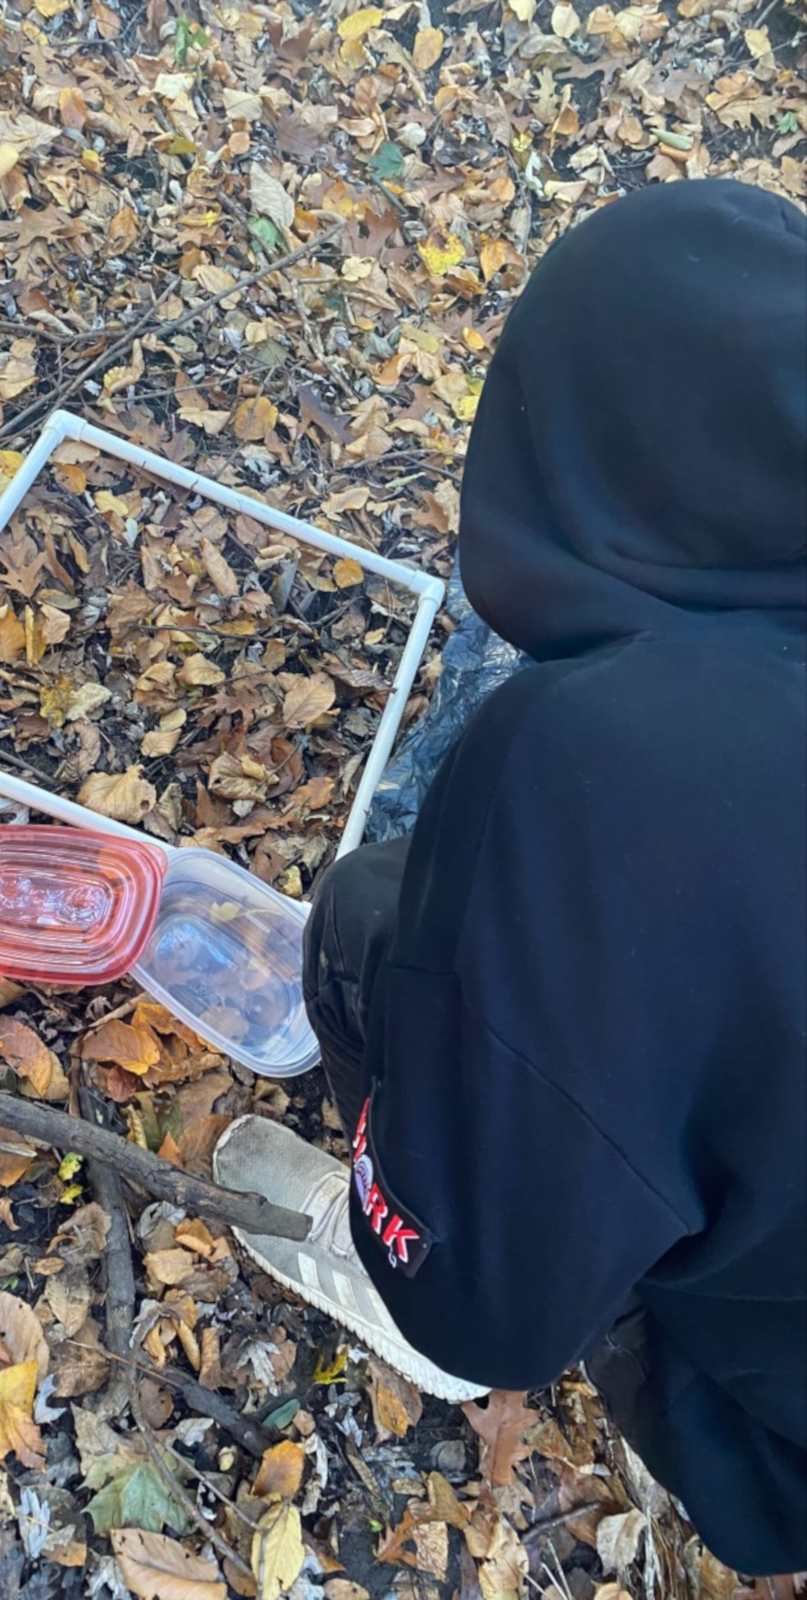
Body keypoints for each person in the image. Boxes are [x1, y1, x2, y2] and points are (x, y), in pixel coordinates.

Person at [213, 179, 807, 1577]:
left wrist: (453, 1242)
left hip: (779, 1442)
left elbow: (487, 1324)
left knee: (366, 914)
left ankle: (422, 1200)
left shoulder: (597, 771)